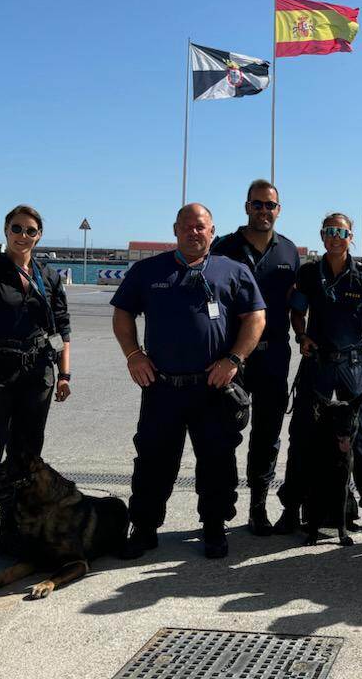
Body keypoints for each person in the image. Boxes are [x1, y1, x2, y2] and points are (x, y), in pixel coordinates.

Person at [111, 203, 265, 559]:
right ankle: (144, 527)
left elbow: (256, 317)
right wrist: (133, 355)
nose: (194, 232)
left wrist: (234, 359)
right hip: (161, 387)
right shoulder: (148, 270)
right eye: (187, 226)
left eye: (201, 226)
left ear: (212, 231)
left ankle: (214, 526)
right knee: (153, 461)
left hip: (213, 387)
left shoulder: (233, 271)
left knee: (217, 461)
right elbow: (122, 313)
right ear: (175, 230)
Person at [0, 205, 72, 583]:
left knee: (25, 462)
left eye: (31, 230)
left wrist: (64, 374)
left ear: (39, 235)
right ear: (6, 231)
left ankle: (10, 534)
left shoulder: (48, 277)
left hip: (36, 378)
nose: (23, 235)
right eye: (17, 228)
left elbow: (61, 329)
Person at [274, 212, 362, 536]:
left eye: (342, 232)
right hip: (318, 364)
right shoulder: (309, 273)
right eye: (330, 231)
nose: (336, 237)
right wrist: (301, 336)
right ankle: (291, 508)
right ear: (322, 235)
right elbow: (297, 312)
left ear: (351, 237)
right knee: (303, 436)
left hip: (354, 366)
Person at [211, 179, 300, 536]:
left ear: (279, 210)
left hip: (274, 355)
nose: (264, 211)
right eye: (257, 204)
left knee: (267, 434)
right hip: (231, 356)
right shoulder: (224, 248)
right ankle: (223, 501)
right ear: (247, 207)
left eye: (270, 205)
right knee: (224, 430)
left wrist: (306, 336)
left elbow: (297, 302)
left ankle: (257, 507)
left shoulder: (289, 251)